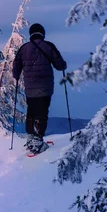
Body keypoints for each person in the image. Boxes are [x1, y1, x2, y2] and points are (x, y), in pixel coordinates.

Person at [12, 23, 67, 154]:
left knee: (31, 110)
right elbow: (60, 65)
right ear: (42, 33)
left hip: (30, 87)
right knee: (42, 112)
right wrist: (63, 65)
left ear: (31, 34)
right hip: (45, 86)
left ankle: (30, 136)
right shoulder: (49, 46)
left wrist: (17, 75)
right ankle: (38, 139)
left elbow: (16, 68)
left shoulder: (24, 48)